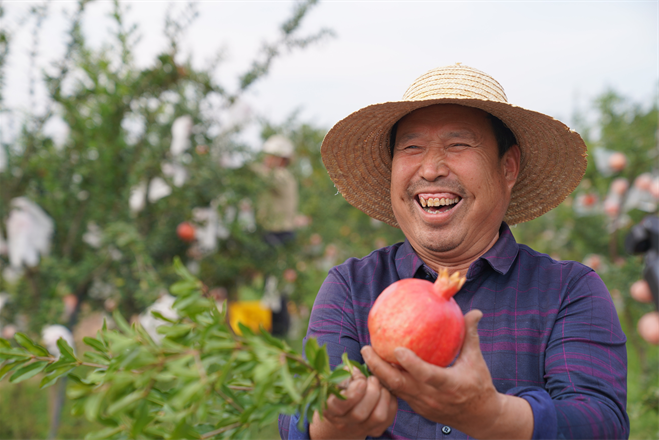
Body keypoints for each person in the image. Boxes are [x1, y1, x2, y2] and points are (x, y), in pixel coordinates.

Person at [278, 64, 629, 440]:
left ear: (507, 167)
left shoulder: (568, 290)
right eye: (411, 147)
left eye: (458, 145)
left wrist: (493, 416)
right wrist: (333, 418)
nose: (429, 169)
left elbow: (599, 421)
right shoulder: (351, 287)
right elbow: (298, 419)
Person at [252, 134, 299, 336]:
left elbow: (261, 175)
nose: (266, 160)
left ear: (280, 159)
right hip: (273, 235)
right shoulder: (278, 177)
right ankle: (273, 327)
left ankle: (278, 329)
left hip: (279, 236)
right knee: (272, 284)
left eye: (270, 156)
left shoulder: (281, 177)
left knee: (275, 284)